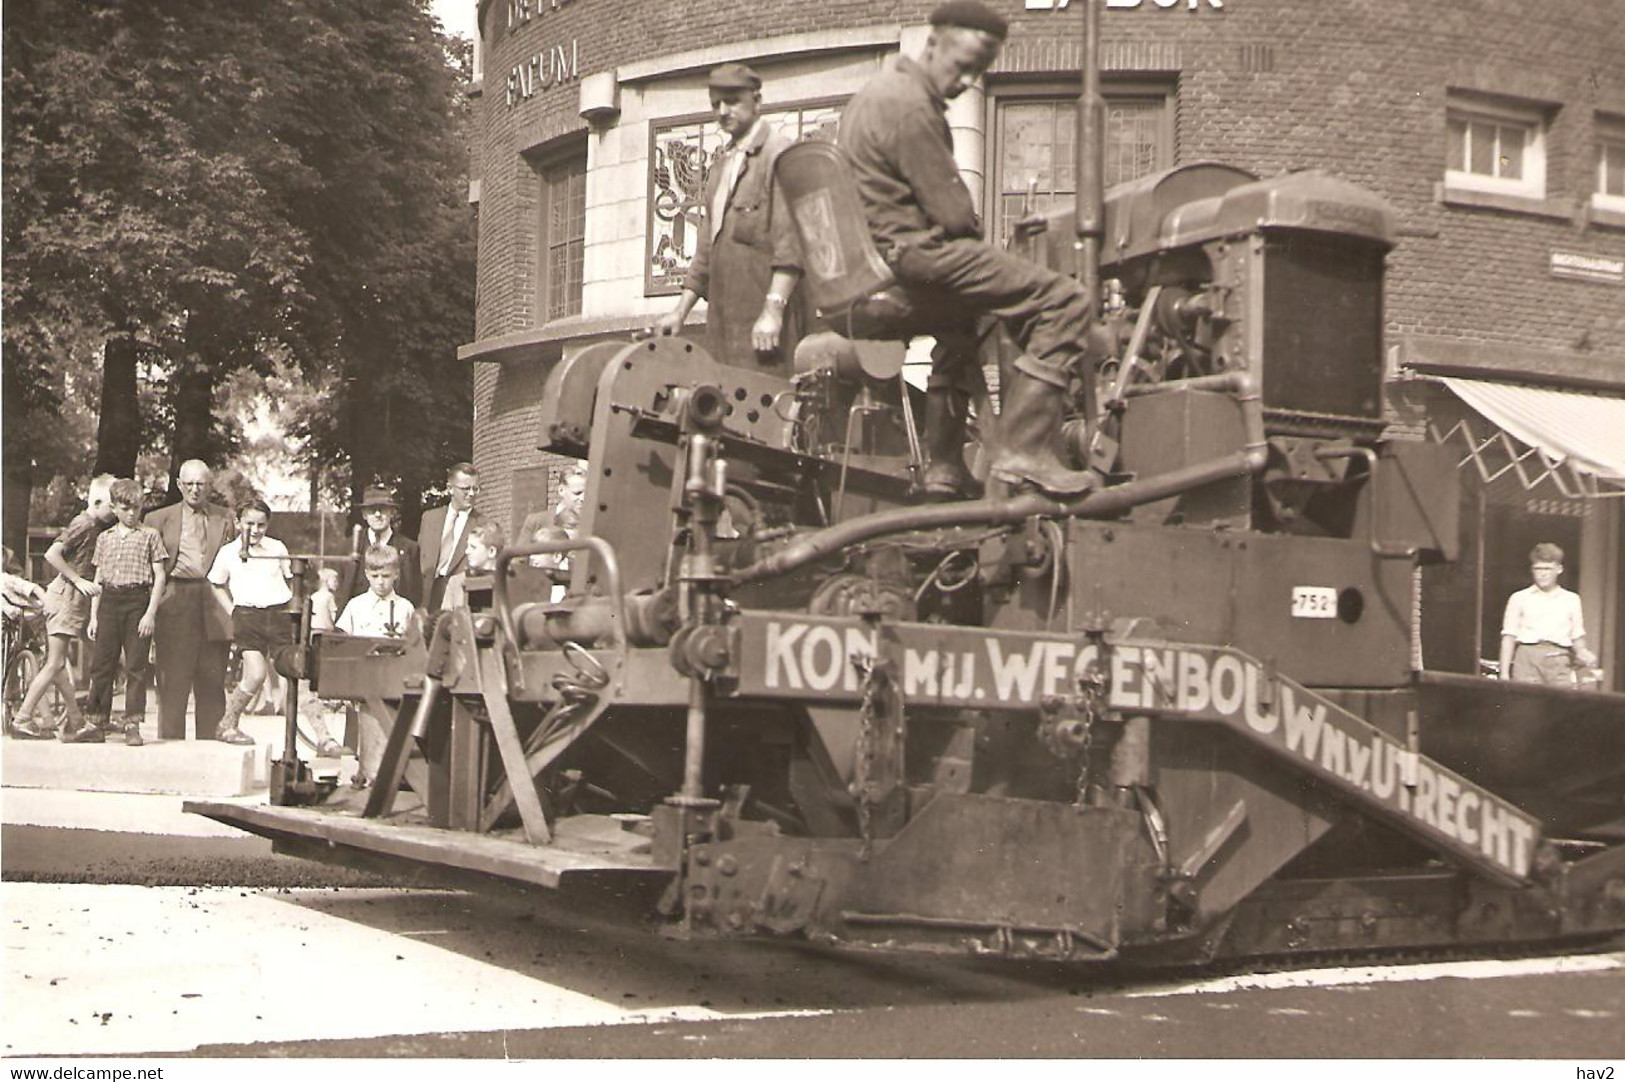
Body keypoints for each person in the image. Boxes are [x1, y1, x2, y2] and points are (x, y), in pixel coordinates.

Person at [837, 0, 1096, 498]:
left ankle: (945, 468)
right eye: (963, 67)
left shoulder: (874, 96)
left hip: (881, 264)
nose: (964, 82)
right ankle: (1025, 450)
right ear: (933, 44)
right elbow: (955, 216)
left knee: (964, 322)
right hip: (916, 258)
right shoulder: (910, 107)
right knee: (1067, 301)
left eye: (978, 72)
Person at [652, 63, 807, 372]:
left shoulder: (780, 156)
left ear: (757, 101)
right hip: (725, 327)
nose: (722, 111)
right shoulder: (721, 167)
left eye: (732, 101)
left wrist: (773, 311)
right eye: (715, 104)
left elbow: (791, 247)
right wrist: (680, 312)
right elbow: (707, 251)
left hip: (768, 329)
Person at [10, 475, 116, 740]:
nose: (116, 512)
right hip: (65, 598)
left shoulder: (96, 527)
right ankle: (22, 718)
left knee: (58, 665)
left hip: (73, 602)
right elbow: (51, 554)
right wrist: (79, 580)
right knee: (55, 663)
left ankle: (77, 721)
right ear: (98, 501)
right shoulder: (83, 523)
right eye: (113, 506)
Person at [145, 460, 235, 740]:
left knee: (212, 677)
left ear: (210, 486)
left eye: (201, 484)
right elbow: (149, 571)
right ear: (179, 485)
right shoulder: (157, 519)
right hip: (174, 597)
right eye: (190, 484)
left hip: (213, 598)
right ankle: (171, 746)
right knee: (173, 678)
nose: (195, 490)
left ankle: (210, 745)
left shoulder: (225, 518)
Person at [77, 479, 169, 745]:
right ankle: (96, 721)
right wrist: (94, 615)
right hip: (109, 602)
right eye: (126, 508)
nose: (132, 513)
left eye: (136, 508)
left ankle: (133, 723)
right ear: (115, 508)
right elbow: (99, 578)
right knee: (101, 665)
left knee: (136, 665)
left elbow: (160, 576)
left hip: (137, 601)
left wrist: (150, 613)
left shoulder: (149, 535)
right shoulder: (104, 539)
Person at [207, 497, 292, 746]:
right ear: (237, 523)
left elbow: (289, 580)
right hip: (247, 617)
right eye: (249, 524)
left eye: (261, 525)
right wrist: (232, 609)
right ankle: (227, 724)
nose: (255, 530)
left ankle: (323, 737)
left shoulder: (277, 548)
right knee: (255, 674)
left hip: (278, 615)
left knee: (296, 670)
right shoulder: (228, 552)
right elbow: (216, 584)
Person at [1499, 542, 1597, 686]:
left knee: (1559, 706)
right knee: (1527, 705)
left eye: (1547, 569)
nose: (1542, 574)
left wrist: (1582, 652)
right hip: (1527, 659)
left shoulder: (1571, 599)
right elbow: (1508, 637)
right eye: (1538, 569)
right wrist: (1504, 674)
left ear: (1559, 569)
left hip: (1558, 659)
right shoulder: (1519, 598)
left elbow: (1577, 634)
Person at [419, 462, 482, 611]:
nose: (471, 494)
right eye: (466, 489)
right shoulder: (429, 519)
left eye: (475, 489)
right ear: (450, 489)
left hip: (460, 598)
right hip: (427, 597)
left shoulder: (482, 524)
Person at [349, 486, 422, 608]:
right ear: (364, 514)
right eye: (372, 509)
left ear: (392, 512)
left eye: (382, 509)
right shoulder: (350, 547)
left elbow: (415, 595)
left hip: (396, 621)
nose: (378, 514)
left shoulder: (410, 549)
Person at [337, 544, 417, 638]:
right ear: (367, 574)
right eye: (375, 576)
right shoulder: (355, 606)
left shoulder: (406, 607)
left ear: (396, 574)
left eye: (386, 576)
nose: (380, 582)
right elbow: (343, 641)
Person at [441, 521, 504, 612]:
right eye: (467, 546)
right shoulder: (456, 582)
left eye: (473, 547)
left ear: (491, 551)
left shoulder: (508, 583)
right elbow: (445, 619)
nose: (467, 551)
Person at [310, 567, 341, 634]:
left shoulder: (313, 596)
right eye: (334, 581)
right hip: (326, 631)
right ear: (326, 581)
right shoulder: (329, 596)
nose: (337, 584)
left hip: (313, 629)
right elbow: (332, 615)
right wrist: (332, 628)